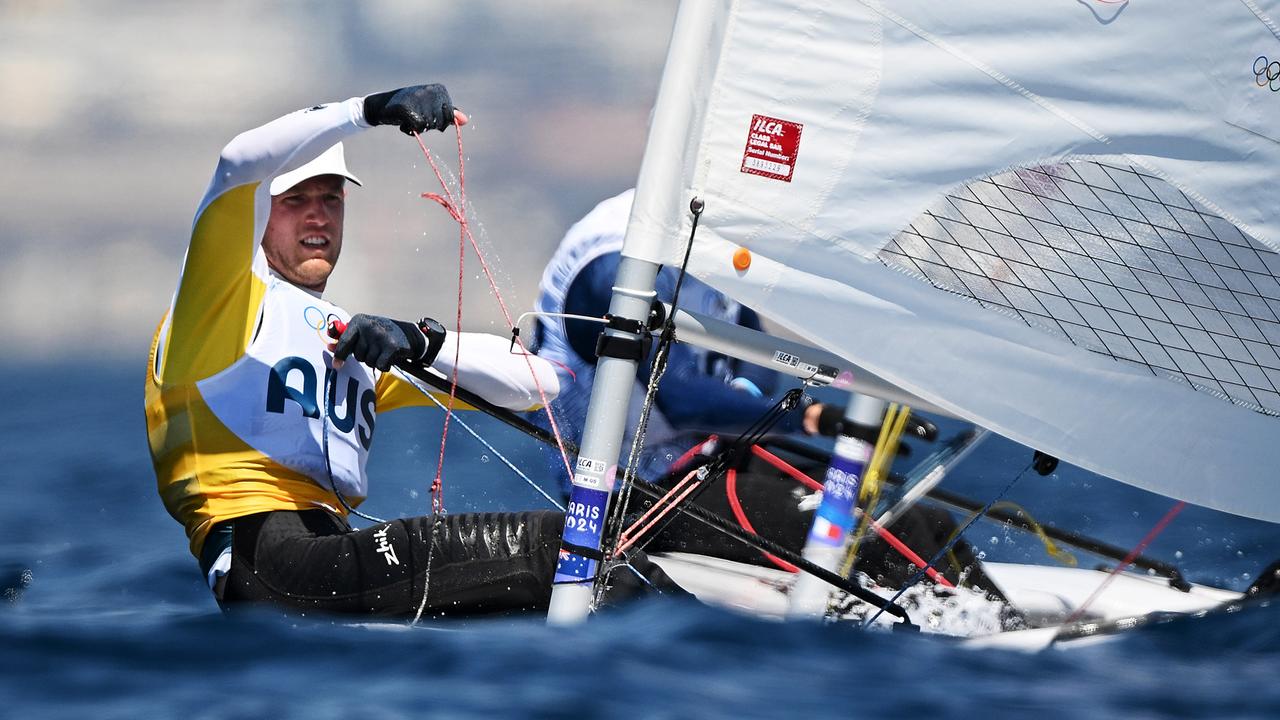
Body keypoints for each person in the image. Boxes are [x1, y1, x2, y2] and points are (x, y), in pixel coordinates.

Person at [144, 85, 678, 619]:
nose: (318, 217)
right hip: (264, 562)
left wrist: (422, 341)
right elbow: (237, 163)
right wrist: (366, 112)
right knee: (567, 549)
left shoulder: (337, 332)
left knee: (610, 543)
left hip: (325, 560)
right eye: (295, 200)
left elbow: (538, 384)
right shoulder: (215, 306)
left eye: (331, 198)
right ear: (261, 213)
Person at [532, 187, 825, 493]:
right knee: (831, 524)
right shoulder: (622, 260)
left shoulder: (718, 238)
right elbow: (680, 399)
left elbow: (753, 348)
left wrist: (740, 397)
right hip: (624, 493)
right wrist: (811, 417)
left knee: (862, 504)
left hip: (709, 457)